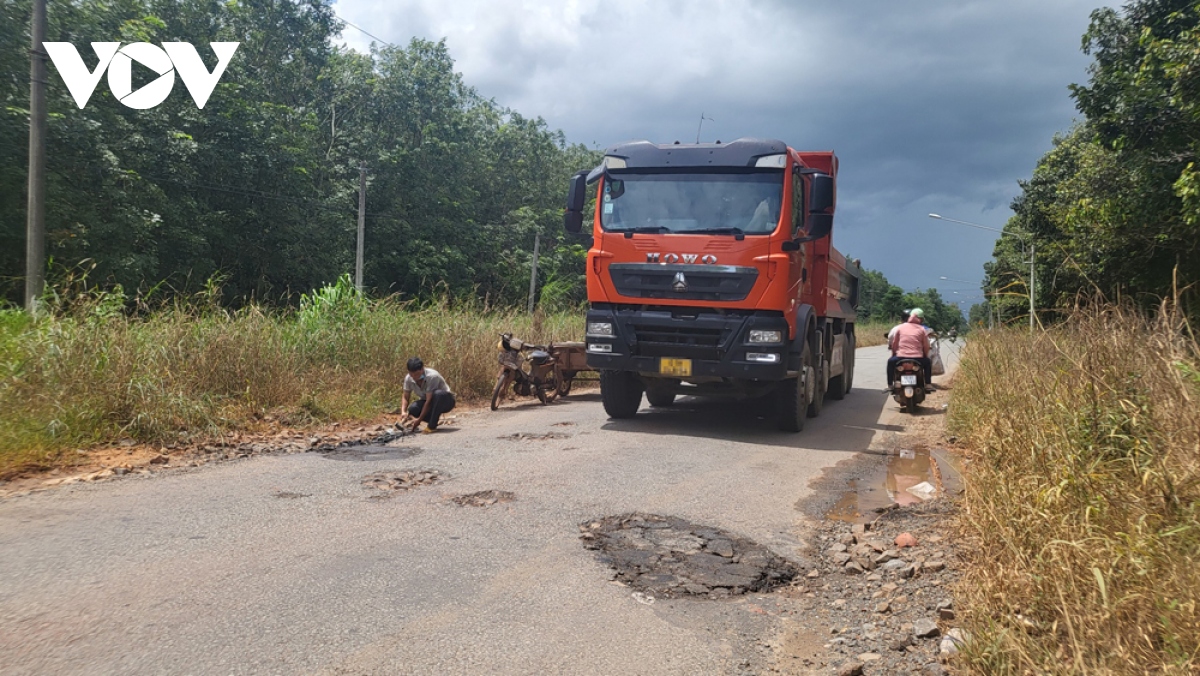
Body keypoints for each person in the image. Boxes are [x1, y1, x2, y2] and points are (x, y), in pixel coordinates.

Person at [401, 357, 456, 433]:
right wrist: (403, 411)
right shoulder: (408, 378)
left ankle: (432, 426)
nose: (414, 377)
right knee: (413, 409)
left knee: (437, 394)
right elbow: (405, 396)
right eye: (411, 374)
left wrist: (419, 420)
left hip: (445, 401)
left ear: (422, 369)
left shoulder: (432, 376)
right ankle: (433, 418)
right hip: (429, 402)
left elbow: (429, 401)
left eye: (417, 374)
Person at [886, 313, 932, 392]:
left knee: (890, 362)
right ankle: (928, 384)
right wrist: (925, 355)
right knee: (928, 362)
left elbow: (894, 344)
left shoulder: (900, 328)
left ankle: (890, 385)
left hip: (901, 357)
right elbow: (926, 346)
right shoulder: (922, 329)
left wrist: (893, 354)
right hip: (918, 358)